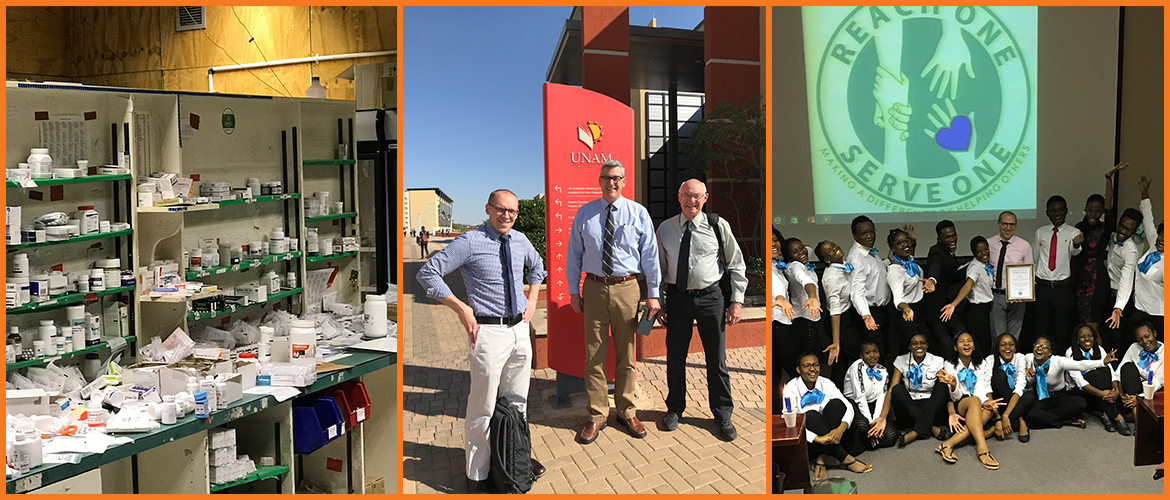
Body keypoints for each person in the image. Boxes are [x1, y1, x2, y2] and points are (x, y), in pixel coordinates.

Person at [415, 189, 547, 491]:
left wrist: (532, 299)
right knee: (483, 408)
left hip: (519, 331)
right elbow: (428, 273)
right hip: (488, 333)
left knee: (518, 403)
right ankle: (478, 476)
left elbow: (538, 268)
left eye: (512, 211)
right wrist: (462, 309)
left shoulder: (521, 240)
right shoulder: (470, 242)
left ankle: (516, 461)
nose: (507, 216)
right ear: (488, 209)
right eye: (500, 209)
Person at [566, 160, 661, 444]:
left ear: (624, 181)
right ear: (599, 181)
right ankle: (597, 415)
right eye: (606, 178)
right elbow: (574, 255)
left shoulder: (638, 213)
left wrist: (654, 293)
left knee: (626, 354)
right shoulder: (585, 213)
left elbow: (650, 256)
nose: (612, 183)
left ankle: (627, 411)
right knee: (594, 356)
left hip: (628, 288)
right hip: (594, 288)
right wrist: (574, 290)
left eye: (617, 178)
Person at [657, 179, 747, 440]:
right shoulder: (665, 229)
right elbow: (660, 269)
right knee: (675, 357)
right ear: (678, 196)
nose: (691, 201)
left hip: (711, 298)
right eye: (687, 195)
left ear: (705, 198)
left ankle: (722, 414)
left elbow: (736, 264)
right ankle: (674, 408)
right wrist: (659, 301)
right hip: (677, 299)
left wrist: (737, 301)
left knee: (716, 359)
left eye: (697, 196)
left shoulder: (718, 226)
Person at [781, 352, 874, 481]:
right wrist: (817, 439)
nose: (812, 369)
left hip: (834, 435)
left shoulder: (826, 383)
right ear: (798, 369)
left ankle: (822, 458)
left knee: (837, 404)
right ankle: (846, 459)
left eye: (815, 365)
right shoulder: (791, 388)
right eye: (807, 366)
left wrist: (841, 428)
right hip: (810, 442)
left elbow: (848, 406)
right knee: (811, 415)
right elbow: (792, 424)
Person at [1023, 336, 1116, 432]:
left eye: (1044, 346)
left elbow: (1079, 365)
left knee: (1080, 403)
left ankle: (1046, 417)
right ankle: (1065, 421)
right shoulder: (1028, 358)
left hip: (1058, 397)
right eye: (1037, 345)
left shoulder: (1058, 361)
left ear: (1050, 352)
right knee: (1030, 414)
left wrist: (1102, 362)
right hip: (1040, 397)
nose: (1039, 348)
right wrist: (1030, 378)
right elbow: (1028, 385)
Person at [935, 332, 1000, 469]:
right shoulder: (949, 364)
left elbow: (984, 387)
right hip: (959, 402)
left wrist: (986, 402)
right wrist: (953, 384)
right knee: (974, 400)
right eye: (961, 341)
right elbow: (953, 397)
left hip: (977, 401)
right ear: (955, 347)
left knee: (987, 410)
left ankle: (947, 444)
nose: (966, 344)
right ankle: (983, 449)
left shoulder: (982, 363)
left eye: (969, 341)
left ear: (974, 346)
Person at [1074, 163, 1126, 326]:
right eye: (1090, 210)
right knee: (1082, 324)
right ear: (1085, 209)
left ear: (1101, 212)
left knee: (1094, 324)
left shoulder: (1104, 228)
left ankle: (1100, 352)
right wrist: (1075, 245)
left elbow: (1110, 208)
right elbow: (1074, 253)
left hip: (1098, 282)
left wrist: (1108, 178)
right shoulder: (1078, 228)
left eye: (1098, 211)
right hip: (1080, 281)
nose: (1093, 214)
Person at [880, 333, 951, 447]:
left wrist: (951, 413)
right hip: (910, 407)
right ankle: (931, 428)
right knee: (897, 389)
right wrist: (882, 417)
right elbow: (891, 389)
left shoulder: (937, 360)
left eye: (922, 343)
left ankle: (915, 432)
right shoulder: (900, 360)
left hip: (930, 406)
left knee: (942, 387)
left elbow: (943, 393)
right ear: (909, 347)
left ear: (927, 345)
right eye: (914, 343)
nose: (919, 346)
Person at [1033, 195, 1084, 352]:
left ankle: (1060, 365)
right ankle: (1040, 362)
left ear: (1066, 211)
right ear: (1047, 213)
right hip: (1042, 287)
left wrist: (1076, 244)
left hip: (1062, 289)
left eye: (1060, 209)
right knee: (1041, 328)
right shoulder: (1041, 232)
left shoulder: (1073, 232)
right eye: (1053, 210)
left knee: (1061, 329)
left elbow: (1075, 252)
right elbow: (1034, 258)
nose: (1057, 213)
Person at [1065, 324, 1131, 435]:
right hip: (1080, 391)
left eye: (1090, 336)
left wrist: (1115, 390)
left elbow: (1111, 372)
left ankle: (1105, 414)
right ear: (1077, 340)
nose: (1087, 339)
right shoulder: (1070, 353)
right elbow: (1080, 382)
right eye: (1082, 337)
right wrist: (1102, 394)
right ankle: (1117, 416)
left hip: (1100, 388)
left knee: (1104, 370)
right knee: (1093, 374)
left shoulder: (1099, 349)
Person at [847, 216, 895, 366]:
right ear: (855, 236)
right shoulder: (857, 259)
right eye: (863, 233)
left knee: (884, 350)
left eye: (871, 231)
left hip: (881, 311)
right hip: (870, 314)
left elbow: (876, 272)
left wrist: (889, 260)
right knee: (874, 355)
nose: (869, 236)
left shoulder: (870, 253)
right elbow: (856, 292)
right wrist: (866, 315)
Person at [816, 240, 861, 390]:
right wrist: (836, 342)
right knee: (858, 354)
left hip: (849, 315)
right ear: (827, 260)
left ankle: (836, 392)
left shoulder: (844, 265)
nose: (835, 249)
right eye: (829, 251)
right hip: (839, 322)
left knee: (842, 362)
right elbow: (835, 310)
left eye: (834, 245)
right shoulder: (832, 277)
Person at [782, 237, 828, 380]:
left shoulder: (804, 259)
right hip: (803, 321)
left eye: (801, 248)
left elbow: (808, 248)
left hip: (812, 318)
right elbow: (806, 280)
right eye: (795, 252)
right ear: (789, 256)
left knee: (815, 360)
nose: (801, 252)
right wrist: (812, 297)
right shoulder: (794, 266)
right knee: (809, 362)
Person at [886, 228, 937, 357]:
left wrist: (913, 241)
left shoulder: (909, 261)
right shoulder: (894, 272)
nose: (905, 244)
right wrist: (906, 309)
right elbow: (898, 298)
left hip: (920, 310)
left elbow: (909, 251)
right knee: (911, 350)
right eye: (900, 242)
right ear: (892, 248)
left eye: (906, 241)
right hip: (908, 314)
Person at [842, 342, 899, 456]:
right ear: (861, 356)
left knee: (891, 436)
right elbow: (860, 397)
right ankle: (860, 442)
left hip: (871, 404)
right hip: (853, 403)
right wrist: (870, 423)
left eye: (875, 351)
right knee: (862, 426)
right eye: (867, 353)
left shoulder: (883, 370)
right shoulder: (857, 366)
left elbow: (881, 397)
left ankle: (866, 441)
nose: (872, 355)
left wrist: (877, 421)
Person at [943, 237, 995, 360]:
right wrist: (953, 304)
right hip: (976, 311)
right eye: (979, 251)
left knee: (986, 342)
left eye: (985, 249)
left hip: (986, 309)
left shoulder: (985, 265)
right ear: (974, 253)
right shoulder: (974, 267)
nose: (984, 253)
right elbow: (968, 285)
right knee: (981, 345)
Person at [1104, 204, 1144, 354]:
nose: (1122, 231)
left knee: (1116, 337)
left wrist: (1118, 307)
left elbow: (1127, 280)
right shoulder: (1112, 237)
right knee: (1104, 333)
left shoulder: (1131, 251)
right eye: (1122, 226)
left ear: (1135, 231)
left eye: (1128, 230)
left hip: (1122, 298)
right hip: (1107, 293)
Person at [986, 211, 1033, 340]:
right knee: (998, 338)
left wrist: (1023, 294)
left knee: (1013, 339)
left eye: (1012, 224)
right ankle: (997, 360)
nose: (1008, 227)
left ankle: (1013, 361)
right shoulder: (988, 244)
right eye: (1005, 224)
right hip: (996, 296)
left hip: (1018, 299)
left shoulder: (1024, 246)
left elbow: (1030, 274)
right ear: (998, 224)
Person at [925, 220, 966, 354]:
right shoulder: (936, 252)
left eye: (954, 235)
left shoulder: (948, 253)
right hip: (936, 312)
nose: (952, 239)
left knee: (964, 338)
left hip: (948, 308)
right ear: (939, 239)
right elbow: (935, 267)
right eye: (947, 237)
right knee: (948, 349)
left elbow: (952, 275)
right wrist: (932, 280)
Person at [986, 333, 1034, 442]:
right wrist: (998, 416)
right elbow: (987, 388)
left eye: (1011, 344)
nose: (1007, 347)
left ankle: (1000, 425)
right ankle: (1020, 419)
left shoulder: (1020, 358)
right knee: (999, 375)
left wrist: (1006, 415)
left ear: (1015, 347)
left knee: (1030, 396)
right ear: (998, 347)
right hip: (998, 401)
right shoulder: (990, 360)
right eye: (1003, 345)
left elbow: (1020, 386)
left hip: (1014, 400)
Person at [1132, 176, 1163, 340]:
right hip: (1138, 309)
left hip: (1157, 316)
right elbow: (1148, 219)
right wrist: (1144, 192)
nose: (1162, 239)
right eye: (1162, 235)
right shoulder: (1153, 245)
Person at [772, 228, 797, 406]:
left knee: (775, 375)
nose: (773, 244)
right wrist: (781, 299)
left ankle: (777, 414)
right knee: (795, 370)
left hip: (781, 323)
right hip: (777, 325)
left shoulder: (776, 265)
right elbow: (777, 291)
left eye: (775, 240)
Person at [1118, 322, 1164, 412]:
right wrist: (1120, 392)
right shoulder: (1134, 348)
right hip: (1135, 389)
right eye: (1140, 339)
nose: (1144, 341)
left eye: (1147, 336)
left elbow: (1157, 381)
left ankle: (1135, 416)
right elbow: (1119, 370)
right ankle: (1135, 411)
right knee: (1127, 368)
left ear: (1154, 333)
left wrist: (1138, 398)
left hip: (1156, 389)